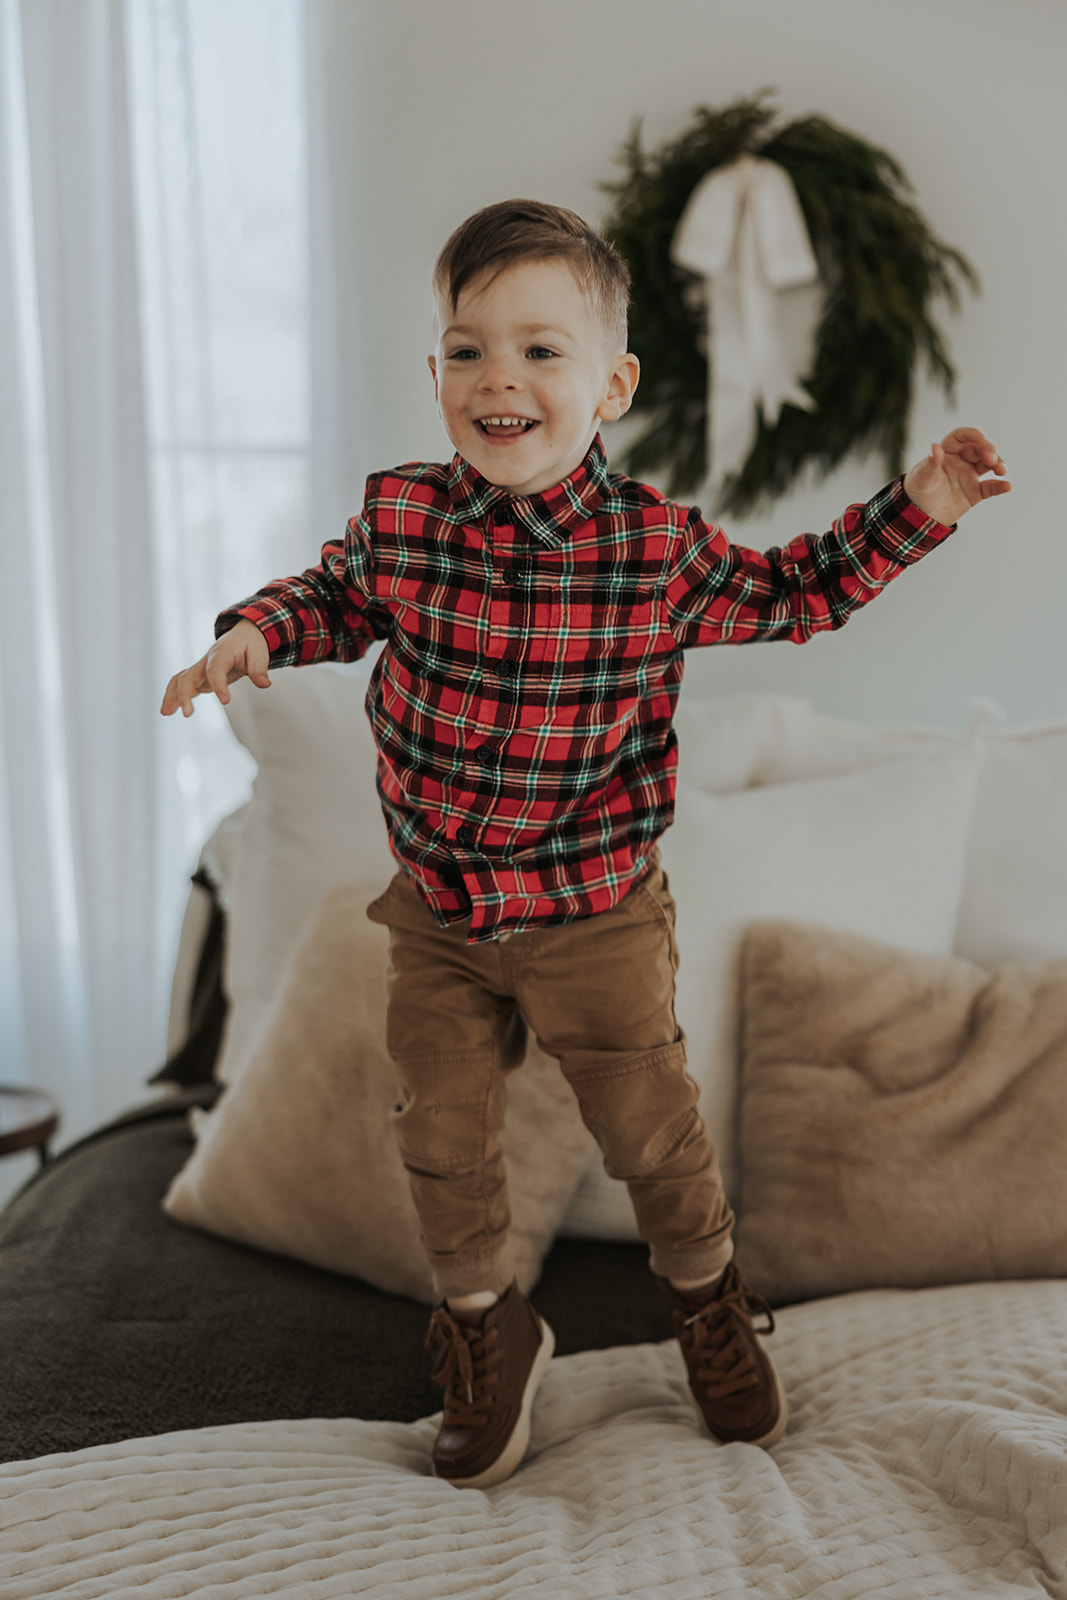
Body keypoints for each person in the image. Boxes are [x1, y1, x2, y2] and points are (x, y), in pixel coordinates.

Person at [161, 198, 1012, 1491]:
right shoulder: (401, 519)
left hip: (593, 912)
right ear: (436, 371)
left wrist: (923, 503)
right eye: (467, 349)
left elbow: (795, 594)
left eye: (539, 351)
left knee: (654, 1144)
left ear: (610, 384)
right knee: (440, 1141)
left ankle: (710, 1307)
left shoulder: (648, 549)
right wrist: (258, 634)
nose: (499, 377)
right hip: (441, 913)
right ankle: (490, 1328)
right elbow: (330, 594)